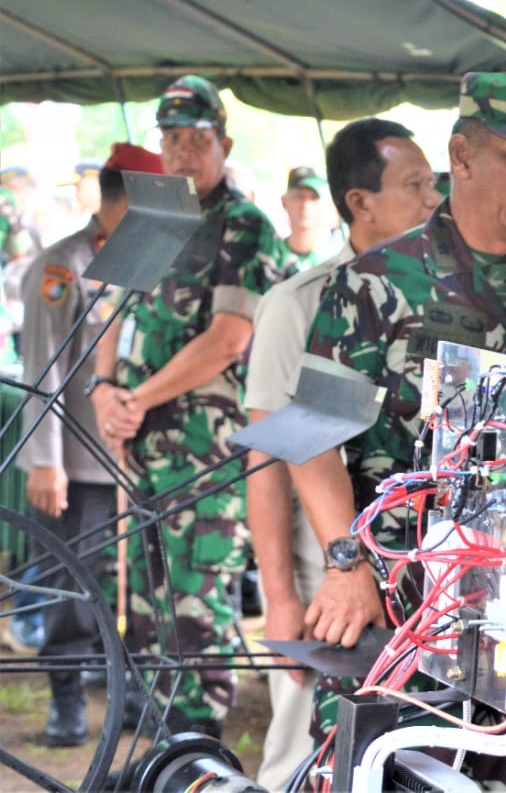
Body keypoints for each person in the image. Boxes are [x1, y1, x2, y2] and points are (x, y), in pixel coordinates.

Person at [289, 72, 506, 786]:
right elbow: (310, 436)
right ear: (465, 156)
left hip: (505, 620)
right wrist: (345, 562)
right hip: (394, 612)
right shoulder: (378, 281)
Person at [244, 118, 442, 790]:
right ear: (360, 202)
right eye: (414, 185)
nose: (432, 198)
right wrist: (277, 597)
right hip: (326, 582)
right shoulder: (297, 305)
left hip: (420, 584)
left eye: (434, 182)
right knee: (304, 755)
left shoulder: (442, 298)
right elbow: (270, 460)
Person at [91, 74, 285, 739]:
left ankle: (200, 758)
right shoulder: (154, 214)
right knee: (146, 609)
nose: (182, 153)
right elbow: (110, 310)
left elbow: (229, 339)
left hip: (207, 458)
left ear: (223, 143)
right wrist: (101, 390)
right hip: (142, 447)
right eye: (171, 139)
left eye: (197, 140)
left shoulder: (245, 225)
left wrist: (134, 398)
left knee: (196, 609)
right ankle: (164, 754)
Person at [17, 143, 165, 746]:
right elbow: (42, 371)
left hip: (137, 461)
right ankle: (66, 699)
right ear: (127, 196)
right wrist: (45, 461)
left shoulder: (152, 261)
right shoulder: (64, 265)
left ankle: (131, 695)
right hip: (75, 464)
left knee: (139, 586)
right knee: (70, 584)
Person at [274, 165, 341, 276]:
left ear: (329, 205)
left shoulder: (339, 258)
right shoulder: (270, 257)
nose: (305, 205)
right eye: (299, 196)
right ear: (284, 202)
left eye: (314, 197)